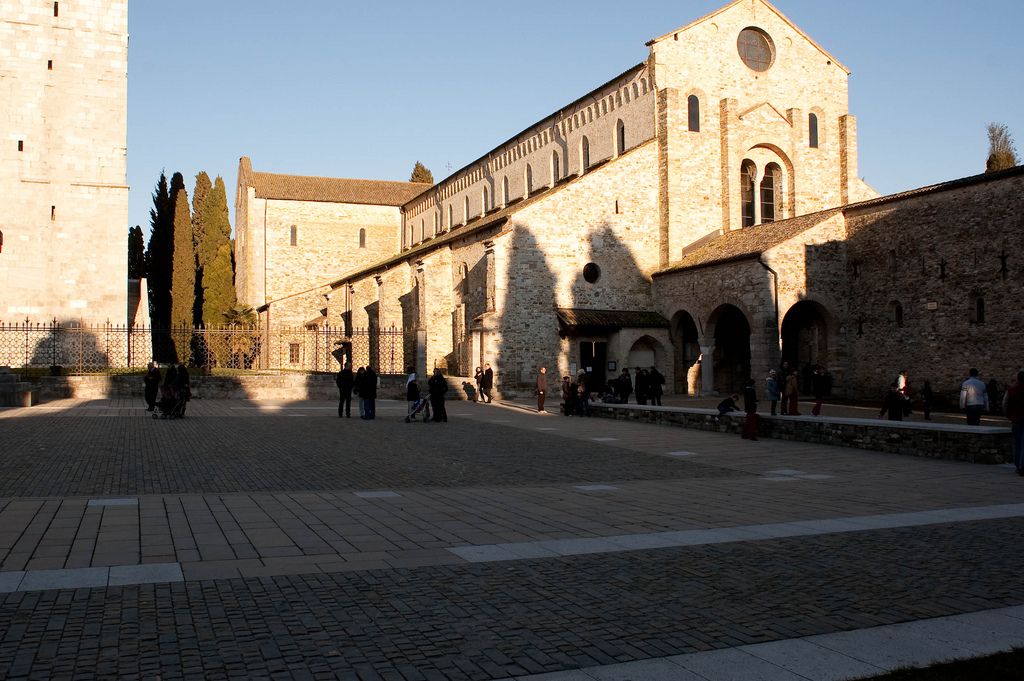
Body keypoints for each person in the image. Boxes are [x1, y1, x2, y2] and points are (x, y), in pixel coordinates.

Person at [1001, 371, 1024, 476]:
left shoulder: (1011, 391)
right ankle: (1022, 465)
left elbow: (1004, 405)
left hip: (1015, 420)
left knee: (1017, 443)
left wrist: (1009, 416)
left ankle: (1017, 464)